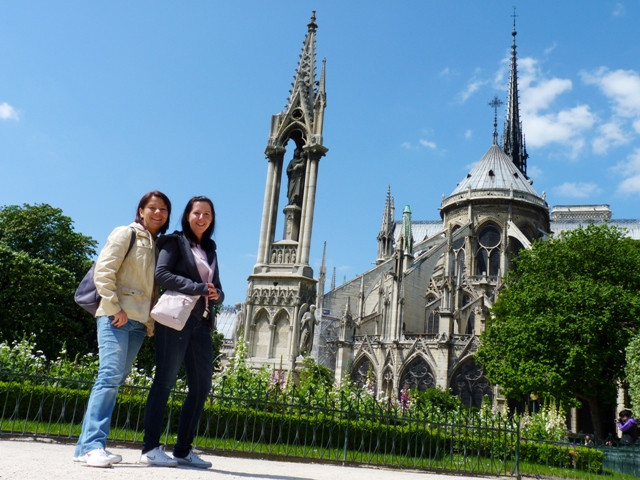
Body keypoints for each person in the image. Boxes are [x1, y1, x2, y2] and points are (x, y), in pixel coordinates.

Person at [74, 191, 172, 468]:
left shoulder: (157, 245)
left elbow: (152, 290)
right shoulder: (125, 233)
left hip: (138, 323)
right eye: (152, 207)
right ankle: (93, 446)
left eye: (163, 209)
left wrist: (149, 323)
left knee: (114, 380)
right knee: (108, 377)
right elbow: (103, 271)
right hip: (116, 316)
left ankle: (85, 447)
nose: (158, 213)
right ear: (141, 210)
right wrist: (115, 306)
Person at [141, 196, 224, 468]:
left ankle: (183, 449)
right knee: (165, 380)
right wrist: (199, 287)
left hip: (200, 321)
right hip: (175, 318)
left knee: (201, 386)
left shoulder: (210, 249)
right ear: (187, 215)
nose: (202, 218)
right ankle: (151, 447)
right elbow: (161, 275)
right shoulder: (175, 242)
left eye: (207, 215)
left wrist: (216, 292)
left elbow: (217, 287)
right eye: (197, 213)